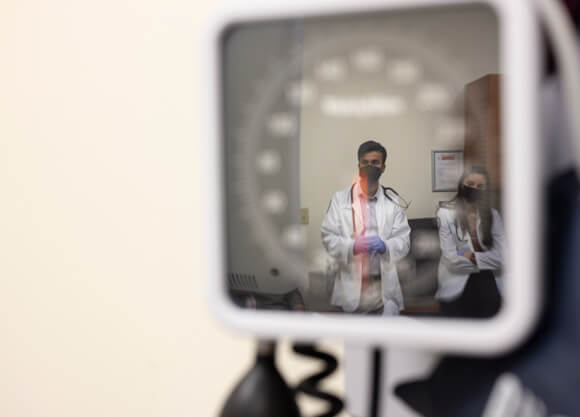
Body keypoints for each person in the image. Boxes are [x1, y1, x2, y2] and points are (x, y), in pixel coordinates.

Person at [321, 141, 410, 315]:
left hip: (382, 287)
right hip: (352, 286)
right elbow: (328, 237)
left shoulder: (393, 202)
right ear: (358, 166)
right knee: (353, 339)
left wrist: (386, 246)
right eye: (365, 162)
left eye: (375, 163)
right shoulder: (340, 199)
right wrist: (352, 246)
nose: (370, 166)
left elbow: (404, 241)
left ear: (383, 167)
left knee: (384, 339)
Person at [435, 166, 504, 318]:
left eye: (480, 186)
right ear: (461, 184)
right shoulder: (445, 213)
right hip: (457, 280)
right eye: (470, 183)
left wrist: (465, 254)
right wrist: (485, 257)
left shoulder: (493, 215)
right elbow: (451, 258)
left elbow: (503, 257)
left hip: (488, 278)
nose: (474, 189)